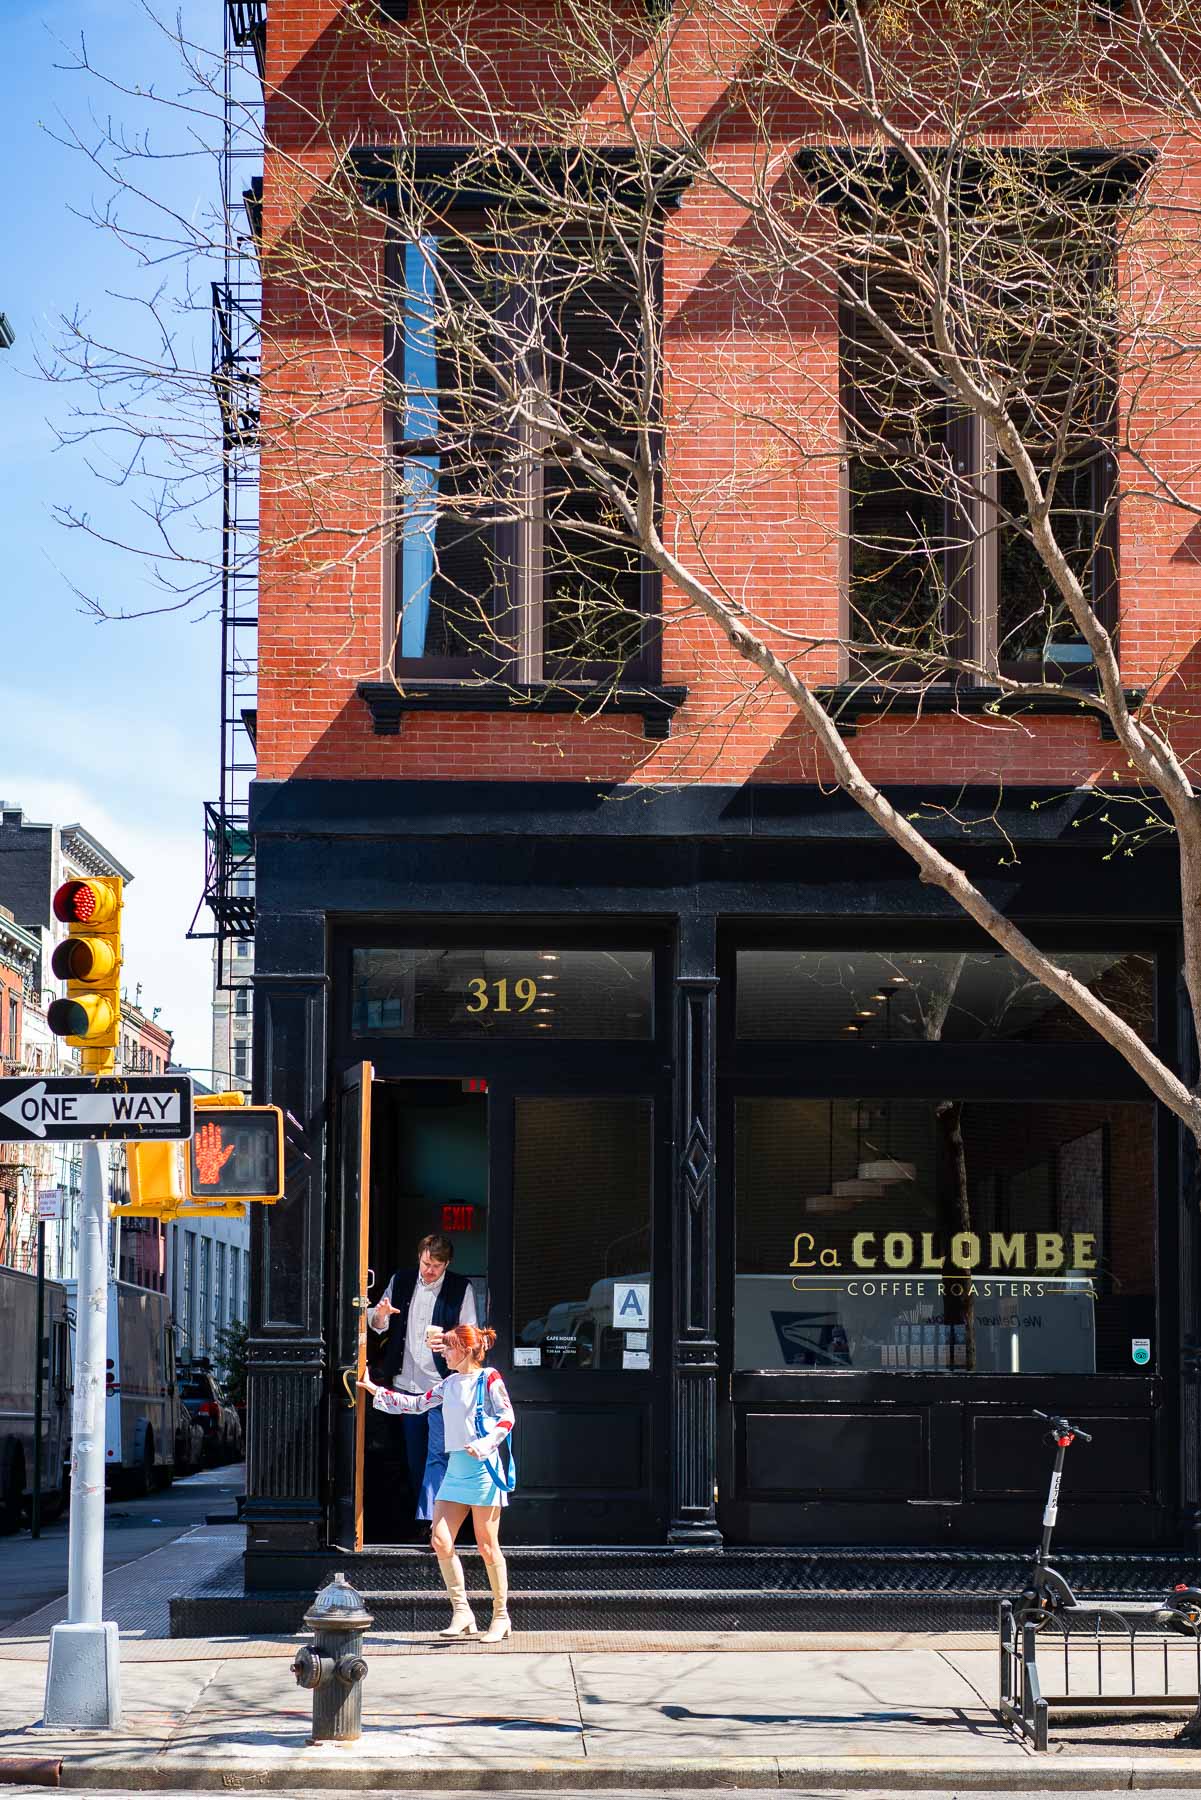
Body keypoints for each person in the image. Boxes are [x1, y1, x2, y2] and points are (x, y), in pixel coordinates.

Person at [360, 1323, 515, 1642]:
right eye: (444, 1347)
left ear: (468, 1350)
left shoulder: (490, 1378)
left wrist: (486, 1444)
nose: (444, 1354)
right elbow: (417, 1404)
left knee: (487, 1547)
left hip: (484, 1469)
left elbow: (508, 1417)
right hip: (456, 1470)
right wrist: (374, 1389)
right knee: (441, 1540)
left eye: (450, 1347)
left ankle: (501, 1616)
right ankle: (462, 1611)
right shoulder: (450, 1383)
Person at [366, 1233, 477, 1526]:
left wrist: (449, 1344)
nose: (430, 1271)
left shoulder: (460, 1289)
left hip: (442, 1387)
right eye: (427, 1263)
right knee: (415, 1459)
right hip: (407, 1386)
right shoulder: (400, 1281)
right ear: (419, 1257)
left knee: (437, 1456)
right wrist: (379, 1315)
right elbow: (378, 1326)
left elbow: (471, 1337)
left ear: (447, 1264)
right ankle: (427, 1517)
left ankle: (433, 1524)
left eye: (437, 1266)